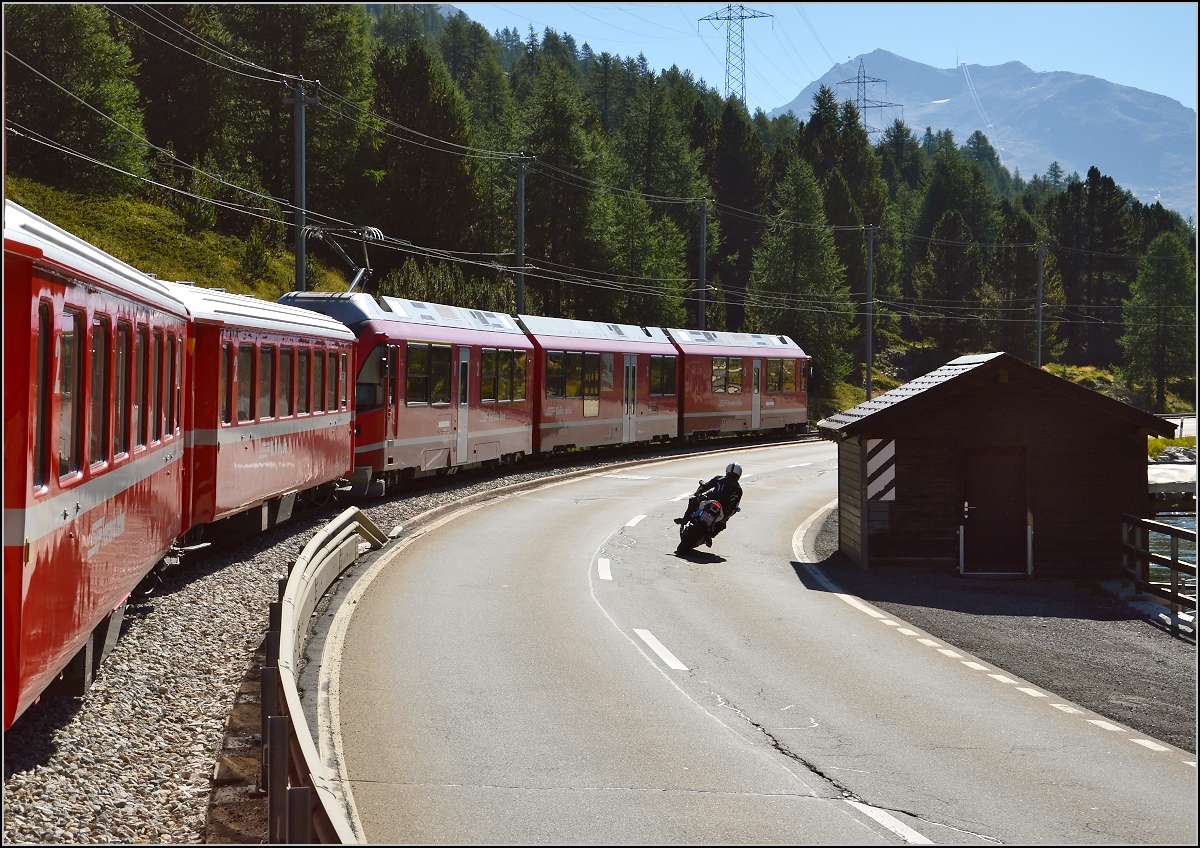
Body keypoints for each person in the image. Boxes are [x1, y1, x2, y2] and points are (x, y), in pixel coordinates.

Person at [675, 462, 743, 546]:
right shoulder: (738, 489)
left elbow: (705, 486)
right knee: (722, 524)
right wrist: (728, 515)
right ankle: (709, 536)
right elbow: (735, 506)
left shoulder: (720, 478)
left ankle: (685, 519)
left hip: (709, 500)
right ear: (739, 474)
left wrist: (697, 493)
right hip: (722, 509)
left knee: (693, 500)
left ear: (727, 470)